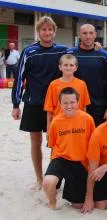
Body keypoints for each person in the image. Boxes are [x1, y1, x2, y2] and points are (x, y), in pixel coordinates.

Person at [11, 16, 68, 190]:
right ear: (38, 32)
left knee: (55, 143)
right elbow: (19, 78)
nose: (47, 32)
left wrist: (96, 46)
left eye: (50, 29)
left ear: (54, 32)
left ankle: (52, 176)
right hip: (33, 103)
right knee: (35, 143)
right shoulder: (29, 52)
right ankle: (38, 178)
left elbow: (79, 52)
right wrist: (15, 104)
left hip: (55, 105)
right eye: (43, 29)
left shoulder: (62, 50)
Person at [42, 87, 95, 209]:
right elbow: (53, 145)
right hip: (61, 158)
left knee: (77, 205)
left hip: (80, 162)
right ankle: (52, 202)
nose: (69, 106)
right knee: (48, 182)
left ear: (78, 102)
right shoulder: (56, 121)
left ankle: (70, 189)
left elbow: (93, 144)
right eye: (65, 103)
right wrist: (53, 168)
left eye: (72, 102)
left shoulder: (87, 119)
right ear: (60, 103)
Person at [67, 24, 107, 126]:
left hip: (98, 105)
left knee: (96, 138)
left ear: (95, 35)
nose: (88, 36)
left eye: (91, 33)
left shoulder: (104, 55)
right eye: (84, 33)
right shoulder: (70, 54)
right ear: (79, 35)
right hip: (76, 104)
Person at [44, 54, 91, 133]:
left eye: (71, 65)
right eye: (65, 65)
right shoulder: (53, 85)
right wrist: (49, 130)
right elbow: (49, 110)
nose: (68, 67)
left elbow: (84, 108)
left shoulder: (82, 84)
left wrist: (84, 126)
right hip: (59, 125)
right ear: (60, 67)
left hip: (77, 126)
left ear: (76, 68)